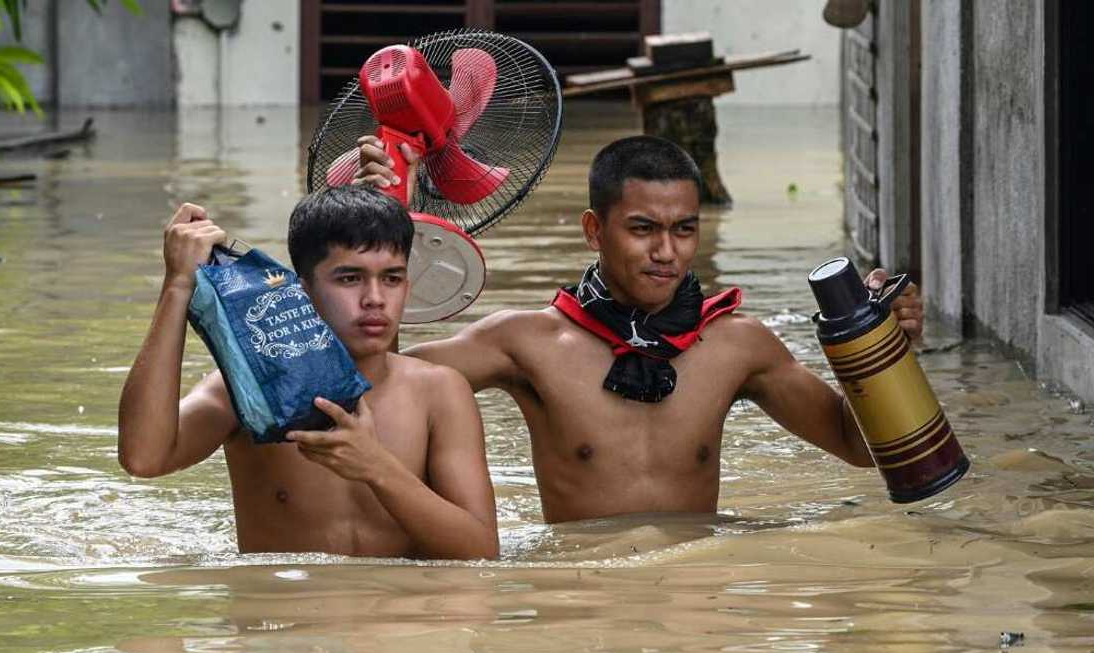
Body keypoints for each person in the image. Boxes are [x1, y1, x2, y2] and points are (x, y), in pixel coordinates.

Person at [354, 134, 924, 523]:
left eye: (684, 229)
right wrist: (380, 228)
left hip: (693, 606)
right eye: (643, 228)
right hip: (585, 607)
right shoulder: (524, 343)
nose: (666, 252)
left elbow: (858, 446)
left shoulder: (736, 343)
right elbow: (381, 389)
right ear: (594, 231)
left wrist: (888, 347)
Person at [117, 186, 498, 559]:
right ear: (302, 292)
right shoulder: (250, 389)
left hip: (401, 617)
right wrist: (178, 285)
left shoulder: (439, 392)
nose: (375, 299)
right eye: (349, 278)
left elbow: (480, 551)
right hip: (289, 618)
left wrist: (377, 468)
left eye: (392, 279)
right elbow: (144, 459)